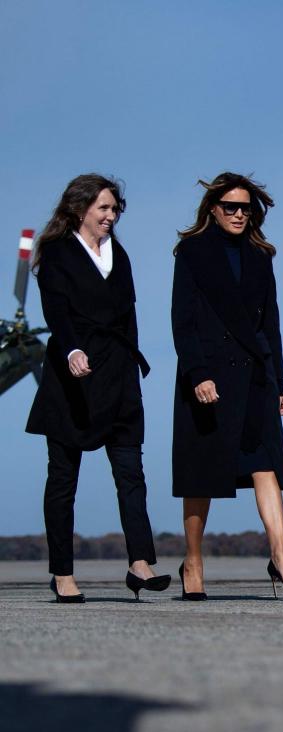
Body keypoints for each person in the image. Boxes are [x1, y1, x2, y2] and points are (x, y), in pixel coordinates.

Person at [26, 174, 170, 603]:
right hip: (73, 376)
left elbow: (129, 315)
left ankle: (140, 563)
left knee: (131, 473)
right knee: (63, 478)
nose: (111, 216)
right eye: (104, 208)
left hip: (119, 375)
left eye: (115, 209)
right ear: (79, 208)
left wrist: (133, 364)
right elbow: (56, 309)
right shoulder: (56, 252)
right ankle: (62, 572)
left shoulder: (118, 255)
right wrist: (71, 350)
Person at [171, 173, 283, 600]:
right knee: (201, 474)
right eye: (230, 206)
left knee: (266, 464)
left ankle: (282, 559)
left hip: (255, 376)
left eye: (245, 207)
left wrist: (279, 380)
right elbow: (183, 320)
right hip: (208, 377)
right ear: (213, 208)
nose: (238, 214)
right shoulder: (191, 252)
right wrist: (197, 374)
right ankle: (192, 561)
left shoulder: (260, 255)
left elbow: (272, 324)